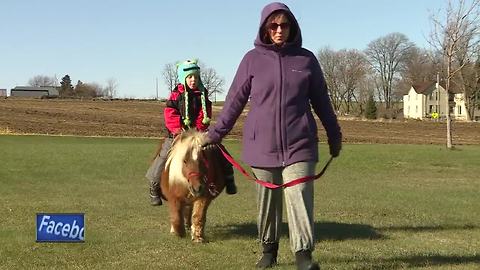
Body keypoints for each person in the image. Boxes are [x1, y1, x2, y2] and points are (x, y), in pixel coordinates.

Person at [202, 3, 341, 270]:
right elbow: (234, 100)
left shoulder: (306, 59)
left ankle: (303, 256)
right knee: (267, 199)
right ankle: (268, 250)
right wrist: (216, 133)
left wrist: (335, 135)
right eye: (274, 25)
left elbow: (322, 101)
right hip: (261, 144)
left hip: (299, 143)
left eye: (284, 25)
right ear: (265, 28)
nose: (279, 30)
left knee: (299, 192)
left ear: (292, 27)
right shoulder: (251, 60)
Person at [145, 59, 237, 206]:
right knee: (163, 157)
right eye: (189, 77)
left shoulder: (202, 94)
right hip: (177, 134)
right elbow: (170, 113)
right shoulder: (176, 95)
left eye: (195, 76)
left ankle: (229, 177)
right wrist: (177, 130)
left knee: (219, 149)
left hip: (198, 134)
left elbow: (204, 113)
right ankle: (154, 186)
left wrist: (199, 131)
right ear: (183, 79)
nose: (193, 80)